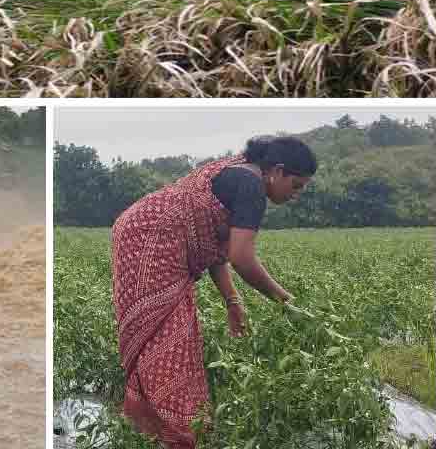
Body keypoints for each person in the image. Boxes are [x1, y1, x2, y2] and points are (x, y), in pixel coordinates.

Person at [111, 136, 316, 449]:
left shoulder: (239, 172)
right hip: (150, 241)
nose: (297, 195)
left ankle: (151, 432)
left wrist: (233, 301)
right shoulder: (251, 188)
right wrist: (287, 303)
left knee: (165, 341)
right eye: (297, 185)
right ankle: (178, 435)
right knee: (171, 343)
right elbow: (241, 257)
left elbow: (214, 246)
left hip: (140, 230)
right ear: (276, 171)